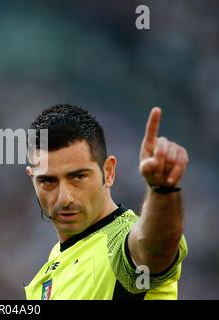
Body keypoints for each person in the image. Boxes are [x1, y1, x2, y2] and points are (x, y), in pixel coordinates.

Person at [24, 104, 189, 300]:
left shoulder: (121, 243)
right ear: (32, 179)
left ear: (108, 172)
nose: (65, 198)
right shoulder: (54, 263)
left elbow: (155, 248)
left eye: (78, 177)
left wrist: (162, 191)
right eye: (48, 181)